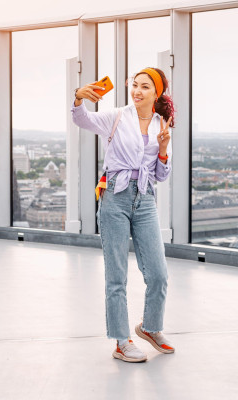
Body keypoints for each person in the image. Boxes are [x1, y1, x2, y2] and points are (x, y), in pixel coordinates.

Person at [71, 67, 175, 363]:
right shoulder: (117, 116)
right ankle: (120, 341)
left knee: (158, 274)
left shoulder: (160, 125)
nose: (137, 91)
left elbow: (160, 175)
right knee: (116, 276)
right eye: (134, 86)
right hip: (114, 197)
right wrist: (78, 98)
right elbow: (82, 119)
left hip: (145, 199)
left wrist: (164, 149)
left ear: (156, 94)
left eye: (144, 87)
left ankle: (151, 328)